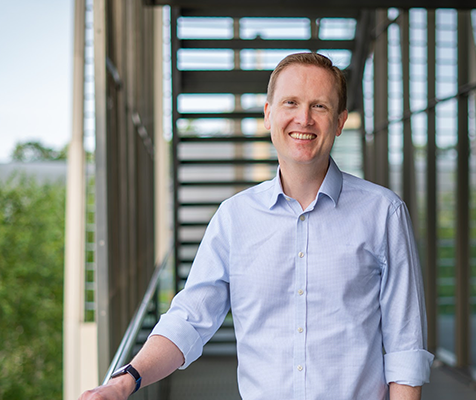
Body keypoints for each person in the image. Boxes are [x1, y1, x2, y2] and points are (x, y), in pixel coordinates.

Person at [80, 52, 433, 400]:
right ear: (268, 114)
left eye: (319, 107)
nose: (304, 119)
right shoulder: (235, 218)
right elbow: (189, 319)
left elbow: (405, 346)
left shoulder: (384, 212)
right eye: (290, 103)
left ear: (340, 121)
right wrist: (126, 380)